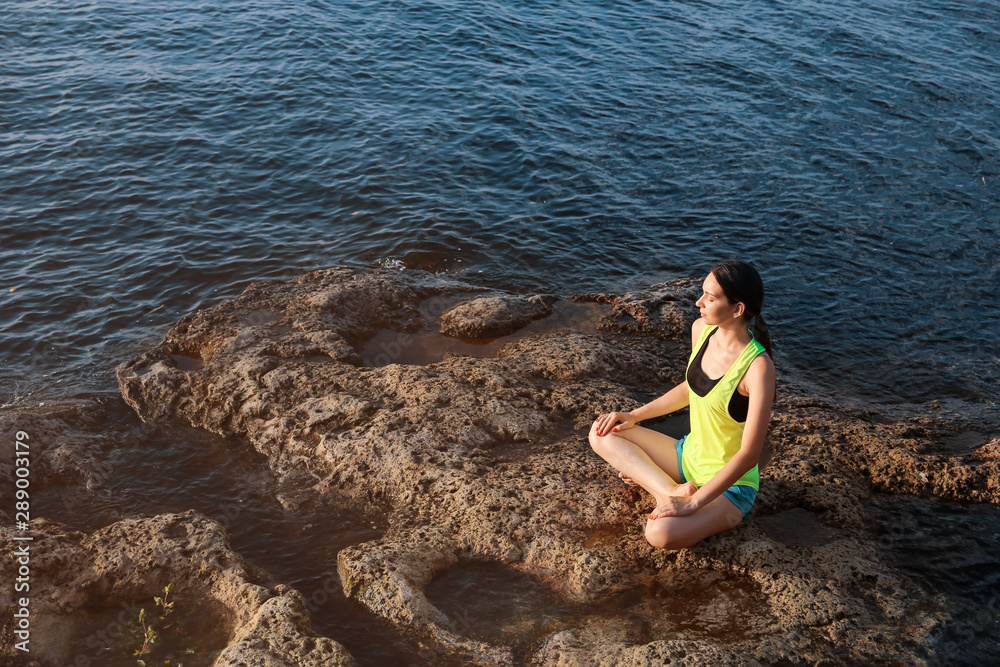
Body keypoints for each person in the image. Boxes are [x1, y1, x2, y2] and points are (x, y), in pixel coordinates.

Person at [589, 260, 775, 550]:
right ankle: (669, 489)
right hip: (686, 457)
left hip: (730, 487)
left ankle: (662, 489)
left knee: (660, 534)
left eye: (711, 298)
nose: (699, 302)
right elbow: (692, 388)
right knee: (603, 431)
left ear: (738, 309)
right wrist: (634, 415)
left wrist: (694, 504)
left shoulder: (757, 368)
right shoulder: (702, 330)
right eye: (702, 293)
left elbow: (750, 454)